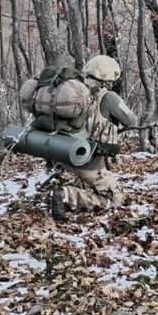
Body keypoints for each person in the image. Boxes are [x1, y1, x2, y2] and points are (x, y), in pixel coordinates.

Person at [50, 55, 138, 220]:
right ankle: (67, 195)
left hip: (62, 152)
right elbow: (131, 121)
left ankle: (73, 184)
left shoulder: (72, 91)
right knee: (115, 199)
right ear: (108, 77)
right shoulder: (108, 96)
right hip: (88, 160)